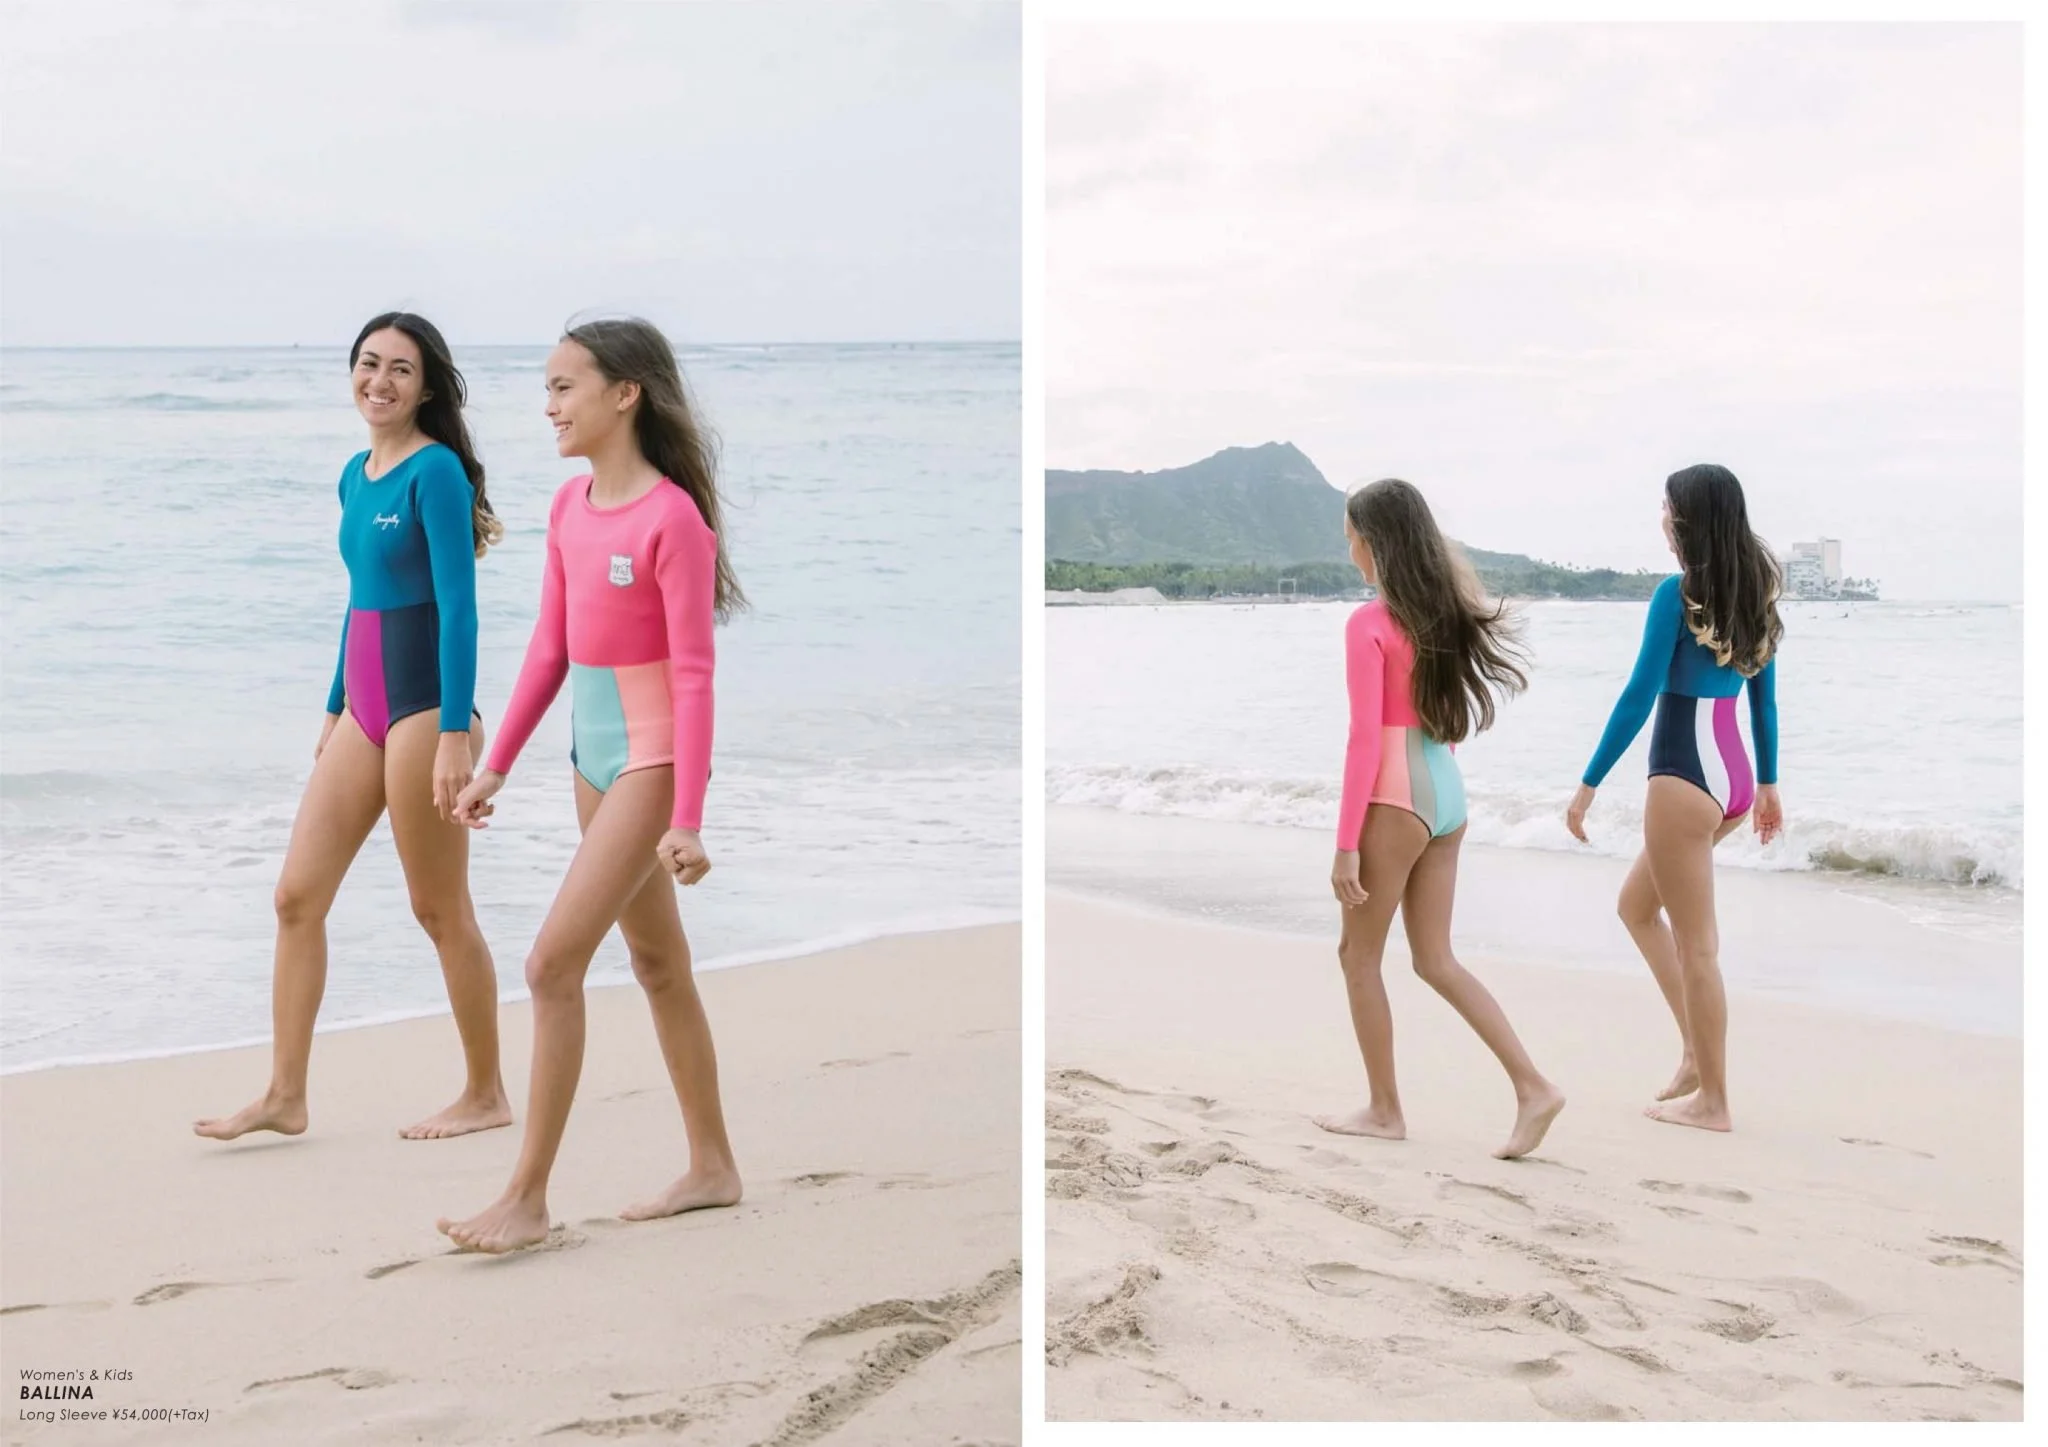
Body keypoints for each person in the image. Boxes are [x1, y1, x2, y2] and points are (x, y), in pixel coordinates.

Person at [437, 317, 745, 1252]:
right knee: (657, 965)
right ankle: (714, 1164)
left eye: (565, 386)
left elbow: (693, 675)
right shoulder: (570, 506)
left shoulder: (673, 520)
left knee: (549, 964)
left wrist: (687, 815)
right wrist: (498, 764)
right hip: (589, 757)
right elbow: (550, 649)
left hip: (649, 761)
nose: (549, 404)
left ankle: (526, 1196)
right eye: (547, 386)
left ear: (625, 394)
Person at [195, 312, 510, 1143]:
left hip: (424, 708)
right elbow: (359, 597)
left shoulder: (435, 473)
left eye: (401, 369)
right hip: (365, 708)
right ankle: (285, 1095)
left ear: (428, 386)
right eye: (368, 364)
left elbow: (461, 608)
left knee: (438, 908)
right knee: (296, 895)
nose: (381, 380)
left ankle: (486, 1091)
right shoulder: (354, 472)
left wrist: (453, 731)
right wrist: (335, 701)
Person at [1317, 479, 1565, 1160]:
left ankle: (1384, 1109)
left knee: (1357, 954)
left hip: (1396, 797)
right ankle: (1533, 1085)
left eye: (1353, 539)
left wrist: (1345, 845)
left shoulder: (1368, 623)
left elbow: (1365, 738)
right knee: (1435, 958)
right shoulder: (1441, 612)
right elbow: (1440, 725)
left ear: (1377, 541)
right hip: (1445, 793)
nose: (1350, 554)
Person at [1567, 462, 1783, 1133]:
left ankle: (1713, 1100)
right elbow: (1764, 701)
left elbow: (1639, 695)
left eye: (1666, 508)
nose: (1661, 518)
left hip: (1684, 776)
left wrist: (1588, 783)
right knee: (1637, 906)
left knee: (1698, 947)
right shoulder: (1757, 590)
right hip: (1734, 777)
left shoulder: (1675, 594)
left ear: (1688, 517)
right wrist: (1769, 784)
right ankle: (1695, 1053)